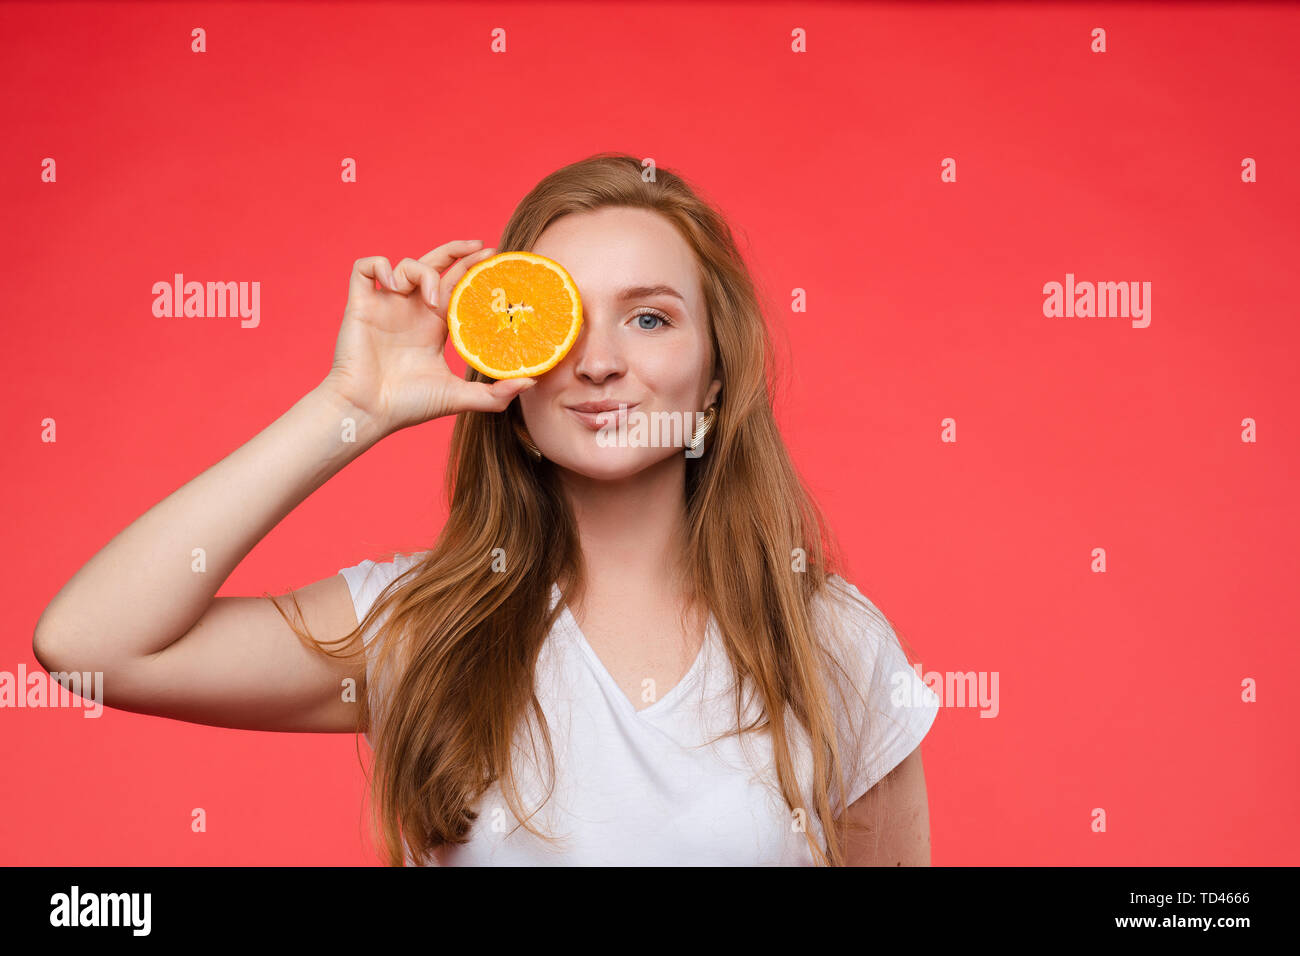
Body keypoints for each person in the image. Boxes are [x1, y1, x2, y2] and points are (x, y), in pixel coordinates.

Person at [33, 152, 940, 866]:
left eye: (651, 318)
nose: (596, 363)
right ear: (507, 363)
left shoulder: (830, 643)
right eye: (559, 319)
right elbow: (92, 647)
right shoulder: (426, 626)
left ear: (715, 378)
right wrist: (349, 408)